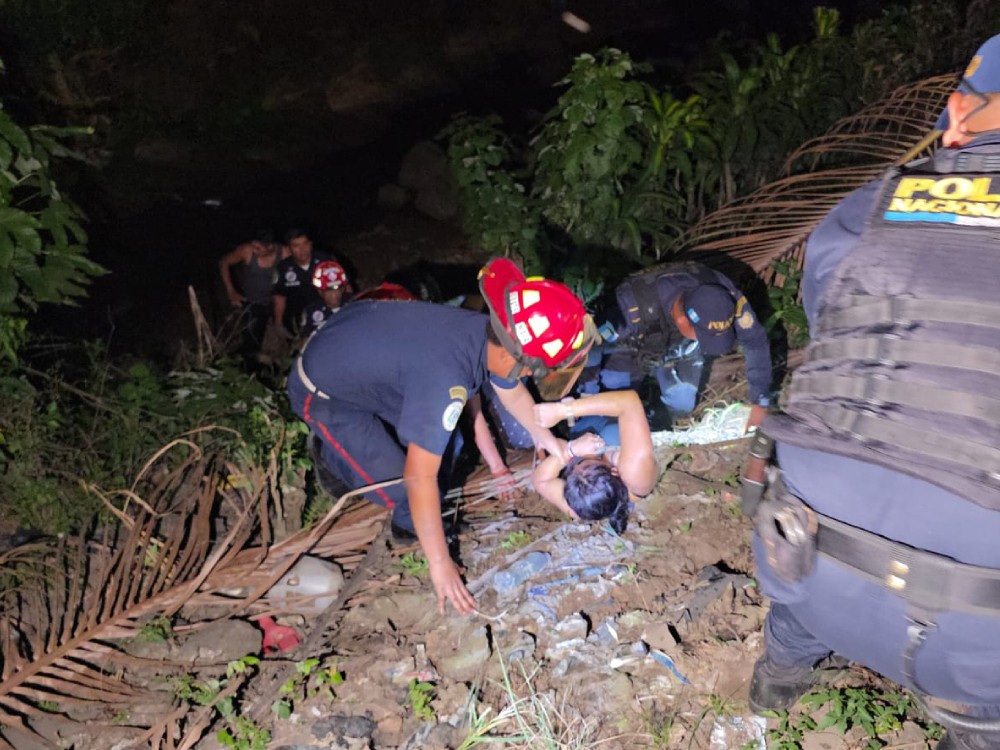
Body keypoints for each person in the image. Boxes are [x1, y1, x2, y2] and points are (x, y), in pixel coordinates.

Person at [745, 35, 1000, 750]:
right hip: (975, 623)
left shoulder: (876, 201)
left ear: (957, 114)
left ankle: (778, 678)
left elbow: (830, 321)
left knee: (806, 569)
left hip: (807, 552)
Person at [287, 258, 597, 615]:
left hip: (369, 357)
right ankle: (339, 464)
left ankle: (412, 522)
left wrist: (550, 441)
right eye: (532, 367)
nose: (528, 373)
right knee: (407, 485)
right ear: (519, 358)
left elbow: (509, 387)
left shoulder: (487, 334)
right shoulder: (445, 377)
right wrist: (441, 564)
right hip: (327, 391)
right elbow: (419, 476)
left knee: (441, 442)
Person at [592, 260, 772, 432]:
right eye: (704, 336)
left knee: (682, 402)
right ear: (682, 319)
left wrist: (760, 400)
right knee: (613, 404)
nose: (708, 342)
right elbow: (589, 347)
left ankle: (659, 416)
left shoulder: (724, 296)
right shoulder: (629, 308)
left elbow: (755, 342)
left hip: (676, 347)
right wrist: (586, 393)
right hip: (631, 345)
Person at [530, 390, 658, 533]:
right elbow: (629, 402)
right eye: (591, 461)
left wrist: (571, 450)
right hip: (627, 416)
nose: (577, 464)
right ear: (615, 471)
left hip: (587, 425)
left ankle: (583, 401)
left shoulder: (579, 502)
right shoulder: (635, 473)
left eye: (574, 469)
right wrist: (565, 410)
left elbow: (540, 481)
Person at [217, 231, 287, 357]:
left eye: (258, 248)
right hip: (253, 302)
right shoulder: (246, 251)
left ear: (270, 247)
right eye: (253, 245)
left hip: (277, 300)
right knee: (252, 339)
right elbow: (224, 262)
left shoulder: (284, 252)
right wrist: (231, 291)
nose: (254, 250)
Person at [272, 228, 331, 335]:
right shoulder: (283, 268)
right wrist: (278, 323)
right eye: (296, 246)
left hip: (326, 308)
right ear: (289, 249)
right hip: (298, 313)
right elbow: (279, 296)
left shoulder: (325, 261)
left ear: (311, 244)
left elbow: (344, 285)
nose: (302, 249)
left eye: (305, 244)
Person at [300, 260, 352, 336]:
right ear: (320, 292)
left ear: (342, 289)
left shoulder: (353, 304)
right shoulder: (311, 311)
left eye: (336, 289)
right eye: (328, 290)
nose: (333, 294)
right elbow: (305, 339)